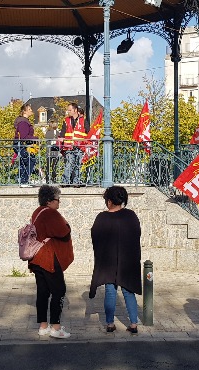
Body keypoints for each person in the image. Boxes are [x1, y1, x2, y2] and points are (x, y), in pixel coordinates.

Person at [89, 186, 142, 334]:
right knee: (128, 291)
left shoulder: (102, 218)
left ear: (110, 201)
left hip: (108, 261)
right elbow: (137, 235)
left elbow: (95, 237)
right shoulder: (131, 216)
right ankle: (133, 323)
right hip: (127, 260)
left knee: (110, 291)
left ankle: (110, 323)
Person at [28, 185, 74, 339]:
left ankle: (43, 326)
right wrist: (66, 223)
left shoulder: (37, 212)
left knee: (43, 291)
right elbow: (64, 231)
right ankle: (56, 327)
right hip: (49, 258)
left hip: (36, 258)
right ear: (49, 201)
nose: (59, 202)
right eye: (57, 200)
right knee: (59, 290)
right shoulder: (51, 213)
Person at [60, 103, 85, 186]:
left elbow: (88, 132)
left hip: (80, 146)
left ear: (75, 110)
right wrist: (61, 138)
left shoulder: (83, 120)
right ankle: (65, 181)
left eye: (70, 110)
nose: (68, 112)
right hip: (69, 146)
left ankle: (76, 181)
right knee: (69, 163)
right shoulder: (66, 120)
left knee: (78, 164)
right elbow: (63, 131)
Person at [14, 103, 38, 187]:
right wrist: (35, 138)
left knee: (24, 162)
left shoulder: (23, 121)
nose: (31, 110)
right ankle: (23, 181)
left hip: (20, 145)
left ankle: (21, 180)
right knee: (30, 160)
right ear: (24, 111)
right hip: (21, 145)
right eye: (29, 109)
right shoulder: (23, 122)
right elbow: (24, 137)